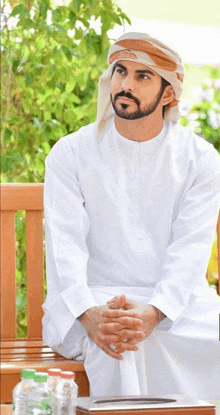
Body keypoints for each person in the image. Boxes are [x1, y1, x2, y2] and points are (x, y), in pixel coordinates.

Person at [42, 32, 220, 398]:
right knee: (117, 342)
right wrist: (89, 313)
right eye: (121, 71)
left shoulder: (200, 160)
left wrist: (155, 311)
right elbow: (65, 247)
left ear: (168, 93)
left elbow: (191, 250)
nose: (125, 84)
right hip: (92, 302)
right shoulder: (70, 154)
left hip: (178, 305)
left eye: (142, 76)